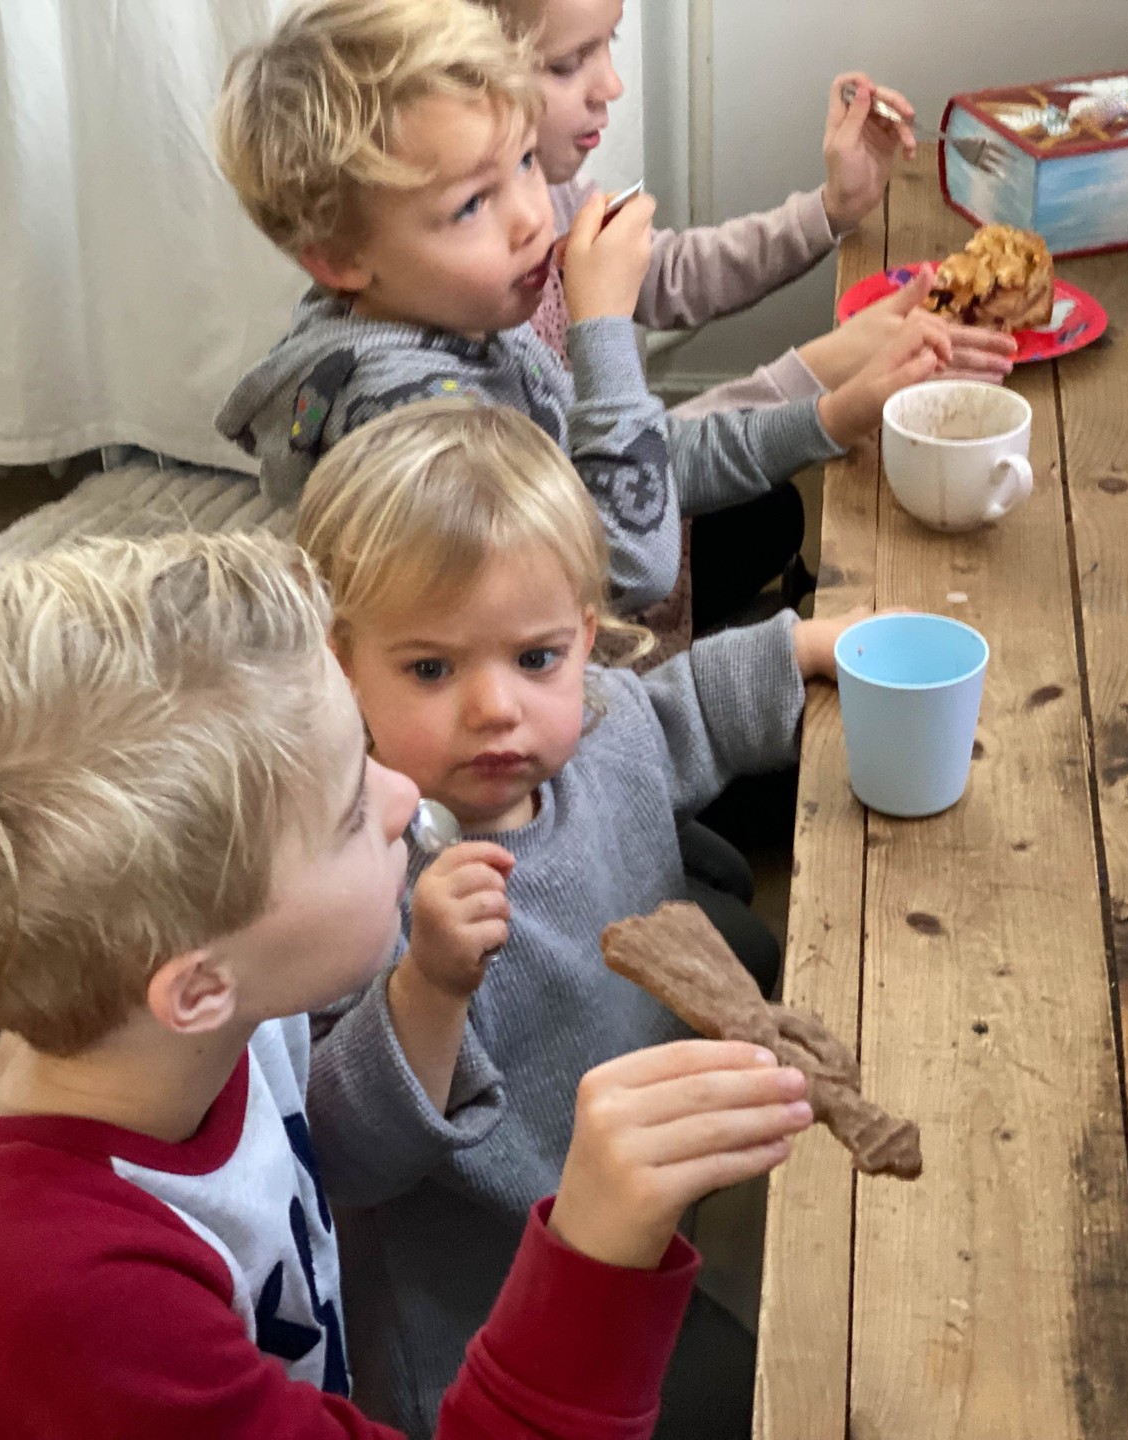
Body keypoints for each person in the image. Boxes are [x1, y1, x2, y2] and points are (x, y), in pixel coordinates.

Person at [0, 529, 816, 1439]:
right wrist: (593, 1253)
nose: (405, 798)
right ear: (196, 990)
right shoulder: (62, 1315)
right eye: (353, 808)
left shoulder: (164, 1013)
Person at [295, 400, 871, 1439]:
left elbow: (676, 709)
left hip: (634, 1195)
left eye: (537, 657)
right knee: (765, 1385)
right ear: (342, 664)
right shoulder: (352, 877)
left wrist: (817, 645)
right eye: (431, 669)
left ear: (586, 633)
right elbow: (347, 1157)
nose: (496, 708)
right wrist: (424, 988)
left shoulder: (595, 735)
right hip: (493, 1322)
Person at [210, 0, 953, 618]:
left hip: (591, 606)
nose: (533, 217)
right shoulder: (412, 420)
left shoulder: (481, 317)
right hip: (552, 696)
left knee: (776, 516)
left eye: (526, 162)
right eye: (472, 204)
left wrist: (831, 413)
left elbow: (652, 455)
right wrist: (601, 332)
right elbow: (625, 567)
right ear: (339, 262)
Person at [484, 0, 1017, 630]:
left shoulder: (537, 188)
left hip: (629, 498)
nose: (613, 86)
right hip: (597, 602)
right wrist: (820, 379)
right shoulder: (479, 311)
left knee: (774, 514)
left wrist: (831, 210)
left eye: (610, 45)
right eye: (568, 63)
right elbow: (614, 520)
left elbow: (669, 275)